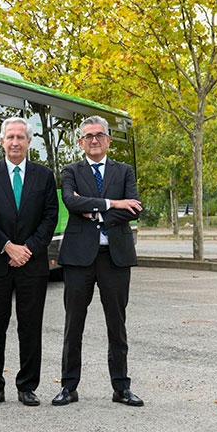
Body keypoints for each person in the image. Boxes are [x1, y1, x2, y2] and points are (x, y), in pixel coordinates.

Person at [52, 116, 144, 407]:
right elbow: (71, 202)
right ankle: (68, 387)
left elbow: (135, 208)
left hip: (115, 258)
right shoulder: (71, 170)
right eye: (88, 136)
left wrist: (94, 212)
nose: (94, 140)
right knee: (73, 323)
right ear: (80, 142)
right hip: (80, 258)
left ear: (107, 140)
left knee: (117, 324)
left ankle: (121, 387)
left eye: (99, 135)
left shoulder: (124, 171)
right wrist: (113, 204)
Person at [0, 117, 58, 407]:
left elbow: (50, 217)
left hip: (32, 265)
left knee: (30, 326)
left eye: (20, 137)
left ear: (28, 141)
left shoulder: (44, 176)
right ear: (1, 141)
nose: (14, 142)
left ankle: (27, 386)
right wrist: (8, 247)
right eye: (9, 137)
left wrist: (27, 250)